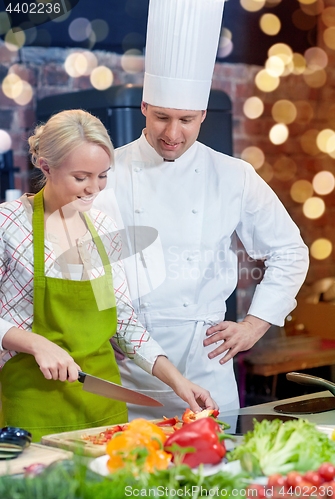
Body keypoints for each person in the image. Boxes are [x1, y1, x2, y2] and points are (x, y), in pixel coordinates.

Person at [94, 0, 309, 420]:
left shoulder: (233, 174)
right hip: (128, 368)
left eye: (187, 120)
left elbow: (289, 251)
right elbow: (90, 266)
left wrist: (254, 324)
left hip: (208, 365)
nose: (172, 133)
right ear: (143, 108)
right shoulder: (106, 171)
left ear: (203, 115)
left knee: (215, 479)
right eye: (161, 118)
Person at [0, 109, 217, 442]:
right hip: (31, 407)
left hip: (103, 410)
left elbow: (123, 322)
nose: (94, 189)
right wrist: (34, 343)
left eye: (102, 175)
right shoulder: (8, 224)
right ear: (45, 166)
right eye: (81, 177)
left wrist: (178, 381)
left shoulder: (103, 227)